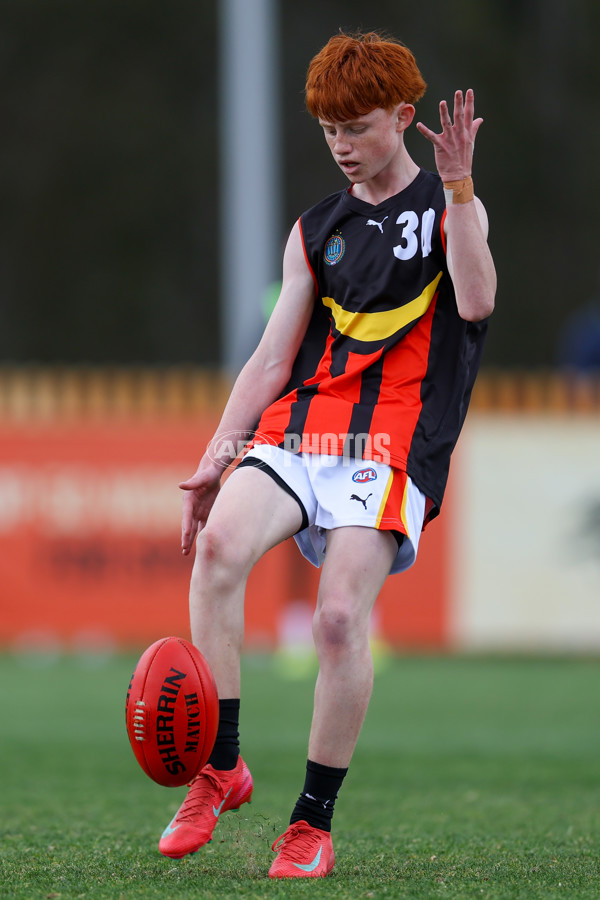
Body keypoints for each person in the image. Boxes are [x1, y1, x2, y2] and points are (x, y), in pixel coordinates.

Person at [158, 31, 496, 878]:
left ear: (404, 118)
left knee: (340, 618)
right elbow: (272, 360)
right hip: (308, 426)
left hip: (397, 443)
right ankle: (222, 764)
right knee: (220, 548)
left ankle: (311, 822)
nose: (342, 145)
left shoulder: (451, 210)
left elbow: (479, 297)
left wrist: (458, 187)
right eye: (327, 130)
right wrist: (217, 456)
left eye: (358, 125)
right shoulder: (318, 229)